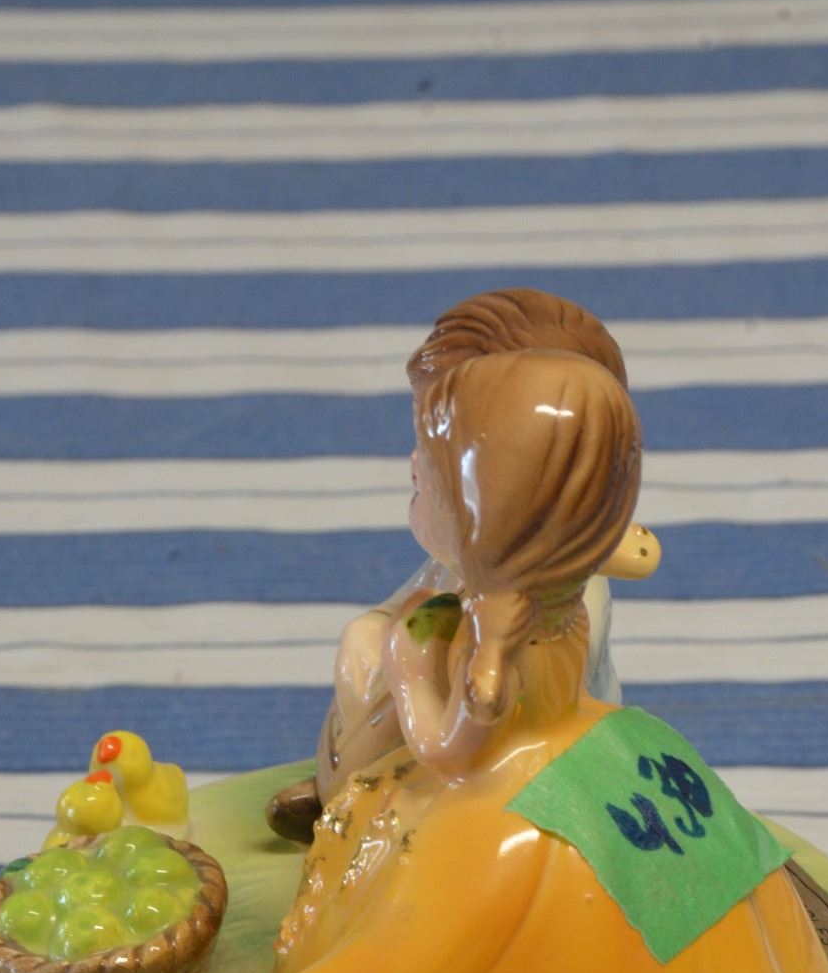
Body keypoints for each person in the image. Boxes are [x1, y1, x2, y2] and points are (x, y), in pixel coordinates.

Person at [272, 349, 828, 973]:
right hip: (603, 750)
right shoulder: (565, 604)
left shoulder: (431, 631)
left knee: (457, 938)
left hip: (494, 800)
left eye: (427, 473)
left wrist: (453, 673)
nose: (411, 474)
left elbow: (447, 752)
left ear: (485, 518)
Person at [267, 288, 660, 841]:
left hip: (505, 795)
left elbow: (460, 744)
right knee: (363, 644)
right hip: (481, 741)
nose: (412, 467)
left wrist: (414, 673)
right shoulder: (521, 579)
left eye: (440, 464)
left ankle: (358, 805)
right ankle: (346, 789)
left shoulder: (539, 615)